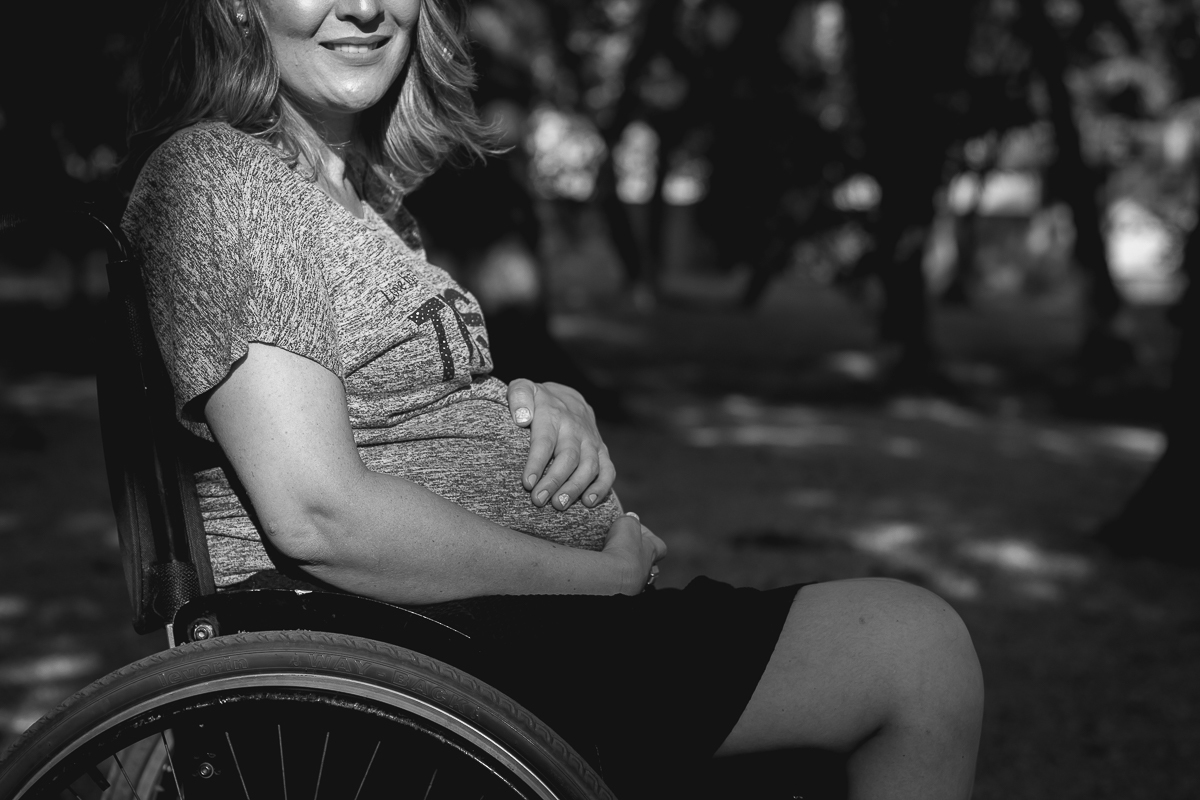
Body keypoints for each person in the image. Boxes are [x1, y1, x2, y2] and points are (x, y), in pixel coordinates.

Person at [121, 1, 984, 798]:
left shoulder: (365, 197)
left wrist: (536, 400)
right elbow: (319, 513)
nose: (365, 6)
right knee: (911, 650)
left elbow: (398, 403)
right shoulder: (223, 176)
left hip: (487, 639)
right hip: (412, 659)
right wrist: (599, 578)